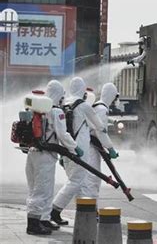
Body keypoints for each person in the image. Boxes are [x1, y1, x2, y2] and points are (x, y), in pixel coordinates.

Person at [25, 80, 81, 235]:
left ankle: (43, 218)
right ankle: (33, 224)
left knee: (34, 187)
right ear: (59, 94)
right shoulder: (56, 111)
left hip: (32, 153)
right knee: (43, 189)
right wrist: (75, 147)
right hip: (46, 156)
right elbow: (63, 134)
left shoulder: (36, 107)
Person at [50, 77, 108, 226]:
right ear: (83, 90)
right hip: (79, 150)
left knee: (79, 182)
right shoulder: (83, 106)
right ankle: (54, 210)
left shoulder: (65, 103)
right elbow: (99, 126)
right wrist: (110, 146)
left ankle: (87, 212)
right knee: (76, 181)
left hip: (66, 149)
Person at [81, 83, 119, 200]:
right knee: (93, 180)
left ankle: (89, 208)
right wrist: (110, 148)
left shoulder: (97, 106)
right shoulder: (102, 109)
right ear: (111, 96)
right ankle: (91, 211)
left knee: (88, 180)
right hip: (92, 148)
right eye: (115, 97)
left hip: (89, 146)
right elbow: (100, 131)